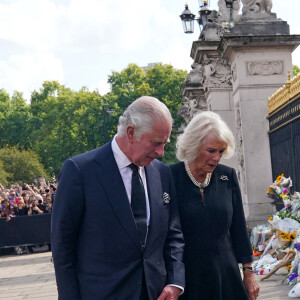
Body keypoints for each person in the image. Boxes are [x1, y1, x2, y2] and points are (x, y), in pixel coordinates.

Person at [51, 96, 185, 300]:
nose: (161, 152)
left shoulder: (163, 173)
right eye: (156, 143)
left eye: (165, 143)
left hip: (156, 293)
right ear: (131, 132)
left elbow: (173, 234)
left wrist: (175, 282)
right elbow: (63, 246)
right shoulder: (80, 171)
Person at [170, 111, 259, 300]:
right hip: (188, 275)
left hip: (226, 273)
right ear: (193, 146)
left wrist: (249, 272)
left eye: (221, 151)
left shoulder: (227, 176)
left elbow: (238, 228)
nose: (217, 158)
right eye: (211, 151)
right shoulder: (169, 177)